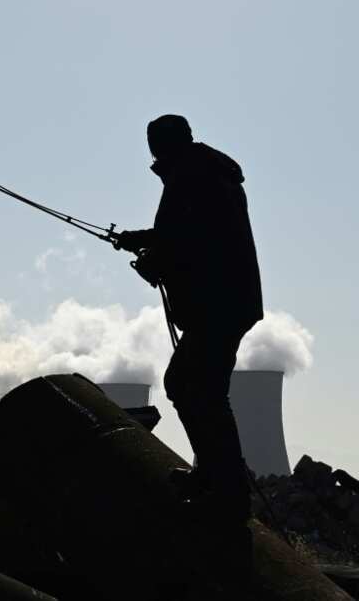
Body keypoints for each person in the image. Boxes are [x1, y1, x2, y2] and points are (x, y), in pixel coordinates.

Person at [115, 115, 263, 528]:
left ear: (164, 144)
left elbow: (193, 238)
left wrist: (155, 259)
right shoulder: (202, 173)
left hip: (219, 304)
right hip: (226, 303)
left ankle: (227, 490)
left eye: (153, 143)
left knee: (194, 387)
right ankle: (216, 479)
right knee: (198, 387)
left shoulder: (191, 177)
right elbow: (186, 230)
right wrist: (144, 241)